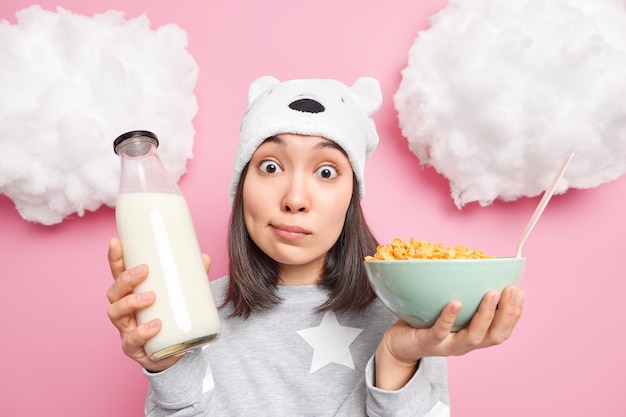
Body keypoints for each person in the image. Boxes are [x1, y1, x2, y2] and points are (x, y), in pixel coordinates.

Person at [106, 76, 525, 416]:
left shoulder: (407, 313)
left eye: (326, 171)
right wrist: (167, 364)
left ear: (351, 197)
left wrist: (397, 360)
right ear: (241, 186)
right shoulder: (190, 312)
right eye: (270, 166)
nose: (295, 198)